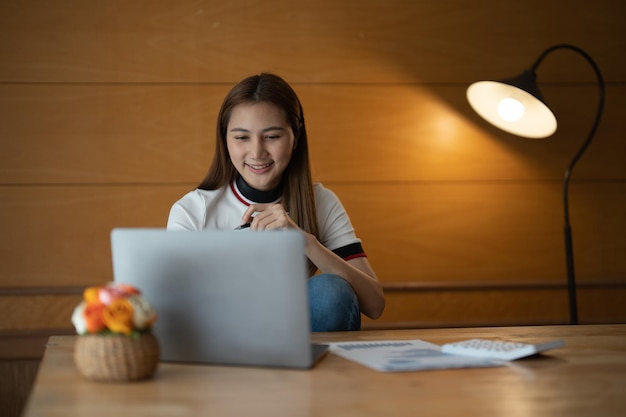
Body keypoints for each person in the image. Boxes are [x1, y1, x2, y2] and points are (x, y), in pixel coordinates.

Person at [167, 73, 385, 331]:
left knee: (330, 289)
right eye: (241, 137)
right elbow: (175, 308)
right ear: (225, 140)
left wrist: (305, 241)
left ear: (296, 137)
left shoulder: (320, 202)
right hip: (225, 339)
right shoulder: (194, 210)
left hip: (302, 345)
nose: (257, 152)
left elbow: (374, 304)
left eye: (272, 137)